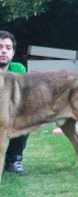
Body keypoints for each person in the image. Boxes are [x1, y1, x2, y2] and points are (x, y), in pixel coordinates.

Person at [0, 30, 29, 173]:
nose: (3, 51)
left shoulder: (19, 68)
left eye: (8, 48)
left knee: (25, 116)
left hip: (11, 113)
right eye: (0, 47)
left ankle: (14, 160)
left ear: (13, 52)